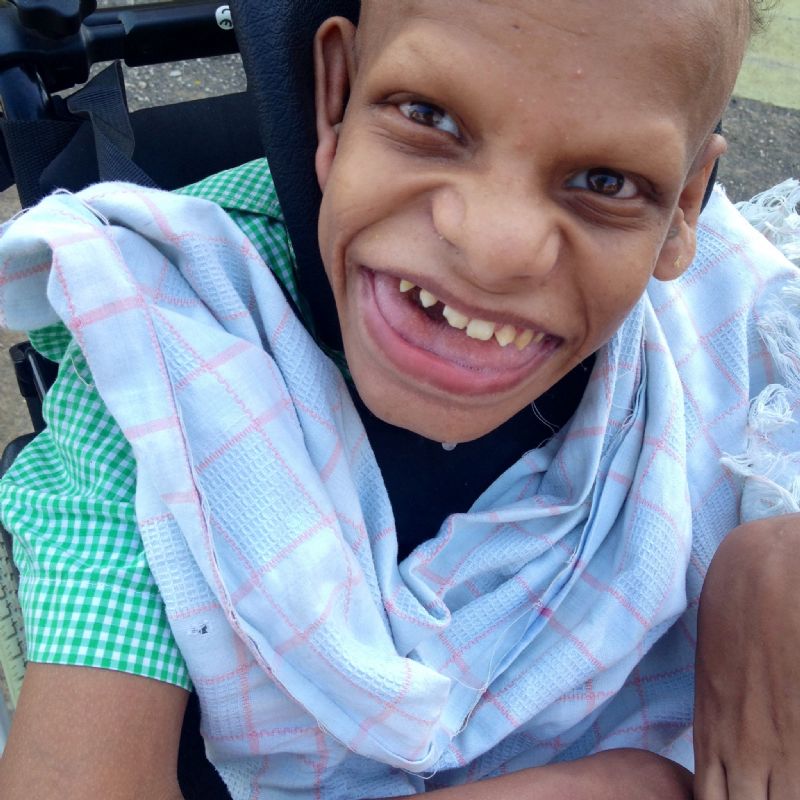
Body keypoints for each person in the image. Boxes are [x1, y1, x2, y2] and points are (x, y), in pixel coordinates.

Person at [0, 0, 797, 798]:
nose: (493, 249)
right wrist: (619, 786)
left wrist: (770, 561)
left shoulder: (727, 310)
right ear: (338, 94)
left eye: (605, 182)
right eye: (429, 116)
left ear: (684, 208)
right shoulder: (166, 349)